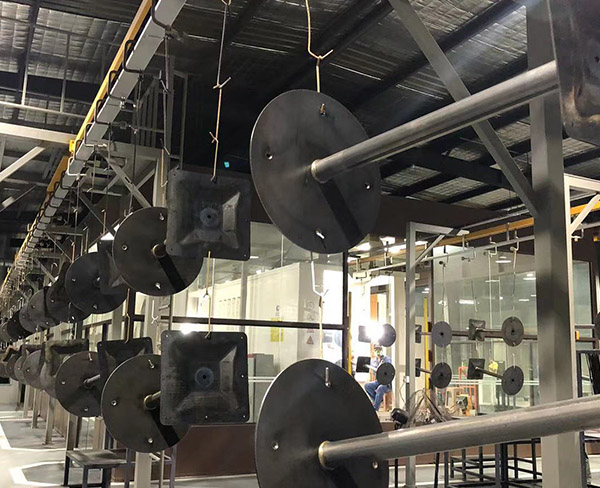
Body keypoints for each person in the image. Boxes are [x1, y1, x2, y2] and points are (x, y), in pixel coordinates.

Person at [364, 344, 392, 411]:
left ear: (381, 349)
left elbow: (389, 369)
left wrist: (381, 366)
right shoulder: (374, 360)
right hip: (378, 381)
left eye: (379, 349)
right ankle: (377, 400)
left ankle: (375, 408)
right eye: (376, 349)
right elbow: (374, 372)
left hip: (386, 382)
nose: (377, 351)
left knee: (380, 388)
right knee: (367, 386)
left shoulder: (386, 359)